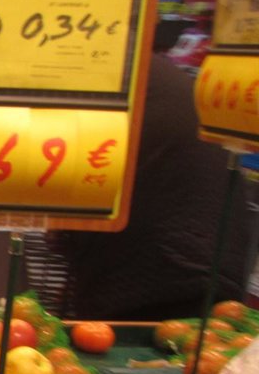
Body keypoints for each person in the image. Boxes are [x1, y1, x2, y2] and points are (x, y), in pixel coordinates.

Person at [50, 52, 256, 320]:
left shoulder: (86, 72)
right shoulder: (124, 66)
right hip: (197, 247)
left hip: (169, 261)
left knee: (145, 342)